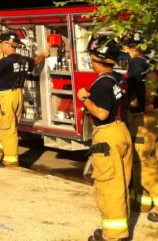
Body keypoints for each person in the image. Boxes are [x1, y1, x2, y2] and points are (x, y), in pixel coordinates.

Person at [78, 36, 132, 241]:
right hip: (121, 131)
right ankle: (119, 229)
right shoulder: (119, 78)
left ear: (97, 59)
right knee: (121, 183)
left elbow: (100, 113)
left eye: (91, 58)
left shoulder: (101, 84)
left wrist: (84, 98)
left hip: (107, 135)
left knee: (108, 185)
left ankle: (112, 236)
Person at [0, 31, 49, 168]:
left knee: (8, 129)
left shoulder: (5, 61)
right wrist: (43, 54)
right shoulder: (24, 60)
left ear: (6, 44)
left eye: (1, 44)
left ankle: (10, 161)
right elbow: (36, 61)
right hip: (18, 95)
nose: (0, 47)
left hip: (6, 97)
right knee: (4, 126)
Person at [124, 34, 158, 220]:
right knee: (153, 158)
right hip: (155, 117)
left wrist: (144, 102)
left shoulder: (136, 63)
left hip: (144, 117)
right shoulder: (152, 61)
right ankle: (144, 202)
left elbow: (144, 86)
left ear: (131, 48)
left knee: (142, 158)